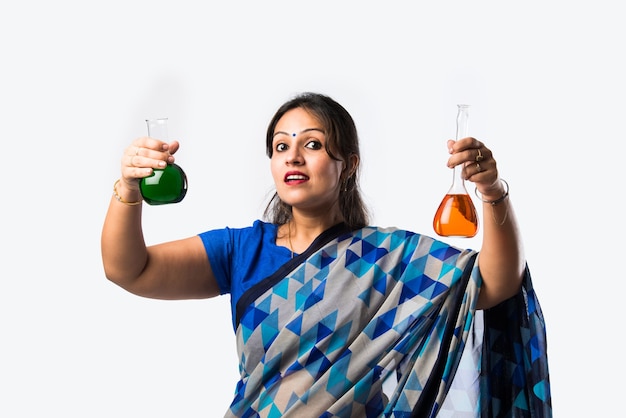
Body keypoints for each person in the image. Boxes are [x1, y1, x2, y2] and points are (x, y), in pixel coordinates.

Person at [101, 92, 551, 417]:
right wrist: (127, 191)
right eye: (281, 147)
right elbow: (129, 269)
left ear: (348, 163)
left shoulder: (387, 257)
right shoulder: (242, 249)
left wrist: (491, 192)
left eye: (312, 144)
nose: (293, 157)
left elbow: (496, 282)